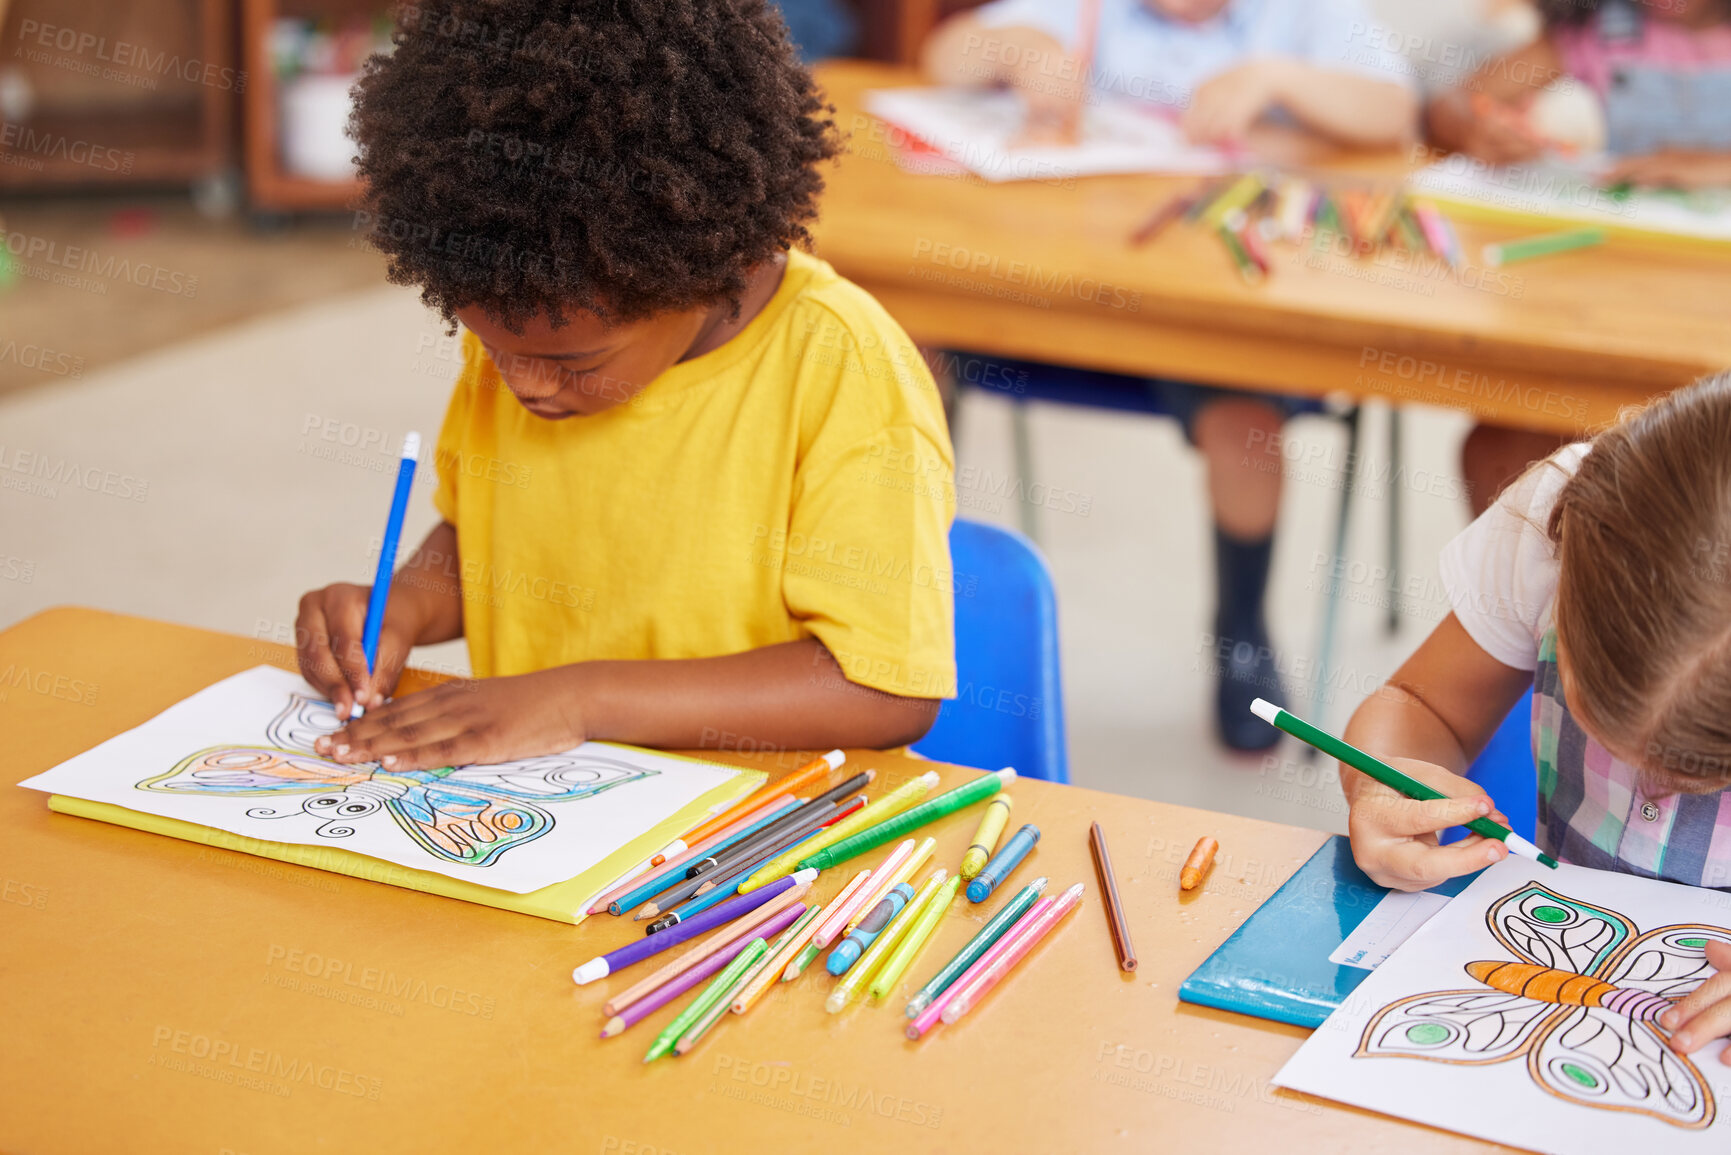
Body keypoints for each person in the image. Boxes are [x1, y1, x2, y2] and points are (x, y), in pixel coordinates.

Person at [293, 0, 957, 771]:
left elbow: (883, 689)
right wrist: (399, 605)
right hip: (528, 811)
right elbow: (496, 541)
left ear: (718, 264)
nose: (523, 387)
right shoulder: (531, 319)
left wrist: (578, 699)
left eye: (576, 363)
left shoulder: (843, 371)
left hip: (744, 841)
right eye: (489, 346)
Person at [921, 0, 1418, 751]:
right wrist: (1007, 47)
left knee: (1246, 429)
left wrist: (1278, 77)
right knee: (909, 336)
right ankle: (913, 586)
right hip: (1071, 291)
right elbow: (942, 58)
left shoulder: (1302, 17)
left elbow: (1394, 113)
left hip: (1214, 313)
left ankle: (1240, 630)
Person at [1342, 374, 1731, 1060]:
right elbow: (1420, 706)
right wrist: (1380, 787)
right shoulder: (1558, 521)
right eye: (1594, 704)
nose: (1649, 785)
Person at [1428, 0, 1731, 514]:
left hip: (1713, 326)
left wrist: (1712, 166)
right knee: (1502, 451)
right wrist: (1476, 127)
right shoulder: (1601, 30)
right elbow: (1453, 106)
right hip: (1615, 307)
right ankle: (1552, 591)